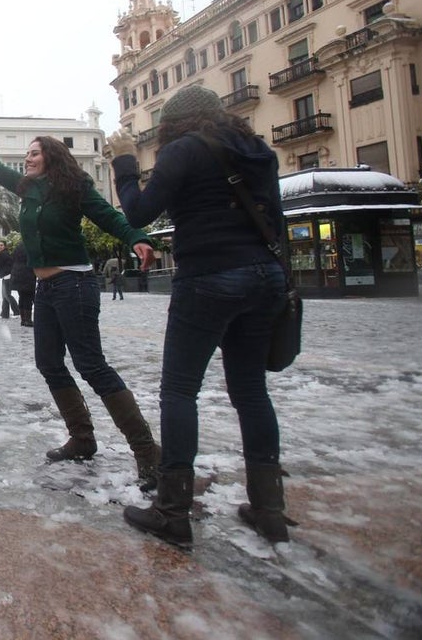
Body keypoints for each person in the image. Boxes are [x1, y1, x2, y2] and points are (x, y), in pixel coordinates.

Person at [109, 84, 291, 548]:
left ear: (172, 125)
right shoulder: (257, 150)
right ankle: (269, 509)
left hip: (209, 275)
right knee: (251, 391)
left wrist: (126, 161)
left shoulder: (184, 150)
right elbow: (278, 221)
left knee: (179, 391)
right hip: (264, 276)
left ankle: (173, 512)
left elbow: (138, 211)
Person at [0, 107, 160, 490]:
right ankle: (82, 438)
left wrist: (137, 237)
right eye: (27, 154)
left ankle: (147, 452)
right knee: (48, 361)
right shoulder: (28, 188)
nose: (27, 159)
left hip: (75, 285)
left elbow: (109, 217)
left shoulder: (74, 187)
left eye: (34, 153)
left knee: (91, 365)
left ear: (51, 156)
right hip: (46, 288)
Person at [11, 242, 36, 327]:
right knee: (28, 297)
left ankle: (23, 319)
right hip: (27, 275)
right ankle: (28, 320)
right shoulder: (31, 246)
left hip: (17, 274)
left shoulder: (18, 246)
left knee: (22, 297)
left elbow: (13, 258)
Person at [0, 243, 20, 318]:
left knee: (7, 295)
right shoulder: (4, 253)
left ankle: (17, 311)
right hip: (6, 276)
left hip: (8, 276)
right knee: (4, 295)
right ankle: (4, 314)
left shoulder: (3, 254)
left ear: (5, 246)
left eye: (1, 245)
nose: (0, 246)